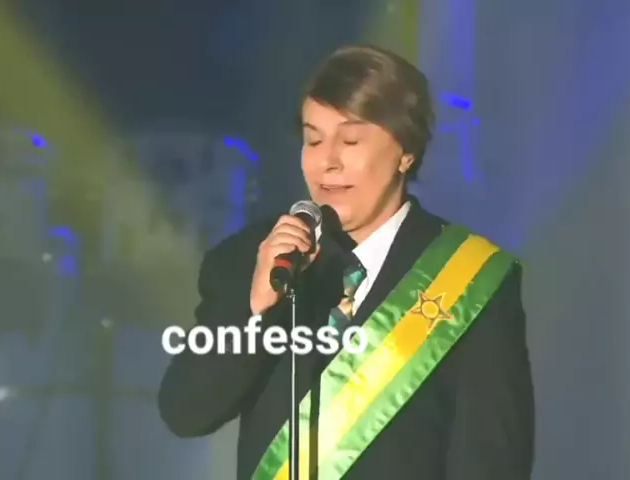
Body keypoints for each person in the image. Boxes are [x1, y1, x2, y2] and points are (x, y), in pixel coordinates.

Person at [158, 44, 534, 479]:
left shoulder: (468, 277)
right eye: (313, 139)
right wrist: (258, 312)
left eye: (351, 141)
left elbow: (491, 462)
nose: (327, 162)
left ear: (406, 151)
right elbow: (185, 414)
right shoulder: (256, 257)